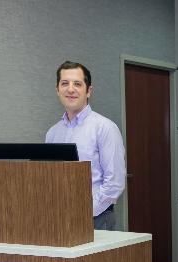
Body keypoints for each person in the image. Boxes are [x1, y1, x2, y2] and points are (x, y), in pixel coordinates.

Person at [46, 61, 126, 230]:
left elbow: (115, 183)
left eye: (77, 84)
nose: (70, 89)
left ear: (88, 91)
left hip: (97, 218)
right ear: (57, 90)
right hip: (59, 217)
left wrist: (85, 210)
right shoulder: (52, 133)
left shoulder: (105, 128)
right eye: (65, 83)